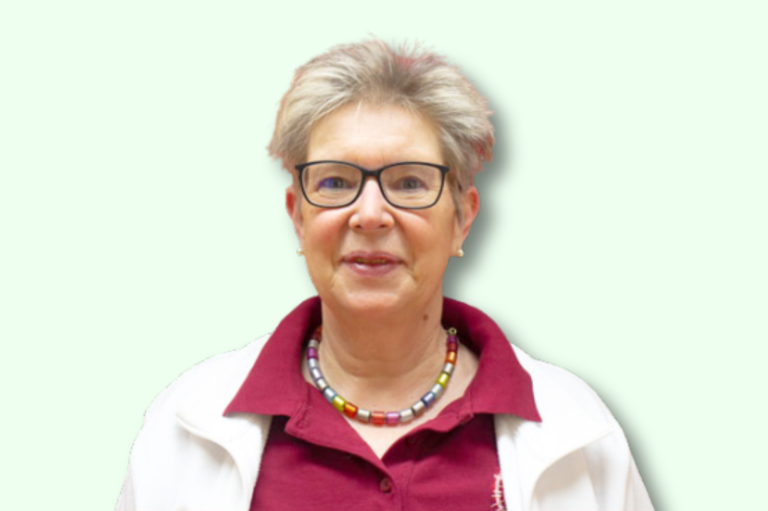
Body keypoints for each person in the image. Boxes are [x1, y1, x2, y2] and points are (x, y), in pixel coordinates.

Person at [116, 39, 654, 511]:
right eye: (334, 183)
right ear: (298, 217)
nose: (370, 215)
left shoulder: (578, 430)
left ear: (462, 218)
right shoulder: (185, 426)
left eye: (410, 183)